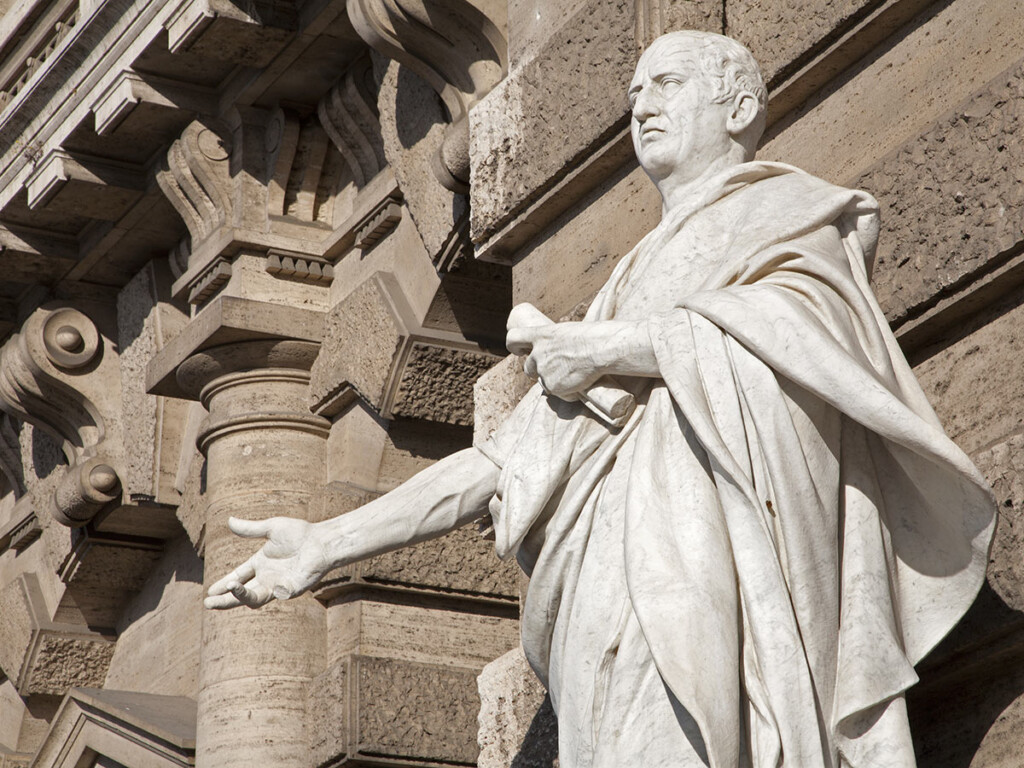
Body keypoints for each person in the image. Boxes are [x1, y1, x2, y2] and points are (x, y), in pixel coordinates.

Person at [206, 31, 995, 768]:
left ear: (740, 109)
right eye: (633, 91)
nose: (641, 105)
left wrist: (615, 349)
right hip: (604, 581)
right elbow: (499, 459)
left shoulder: (788, 221)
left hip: (709, 560)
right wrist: (328, 542)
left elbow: (809, 354)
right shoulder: (628, 277)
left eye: (668, 84)